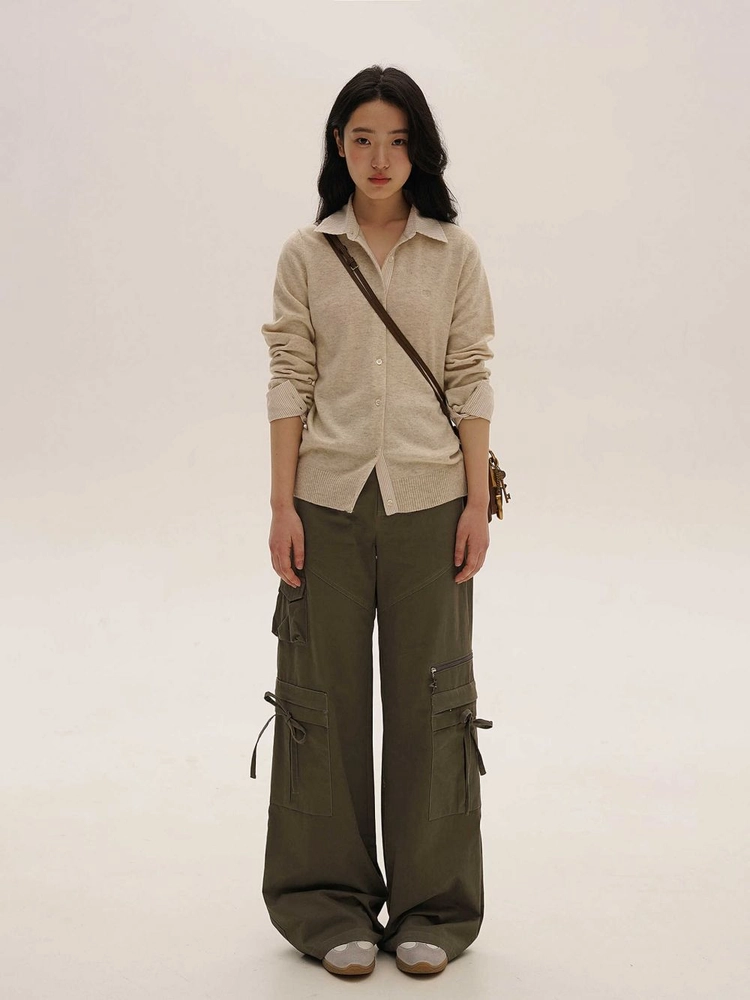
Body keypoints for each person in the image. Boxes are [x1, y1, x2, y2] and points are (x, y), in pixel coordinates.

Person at [251, 64, 497, 977]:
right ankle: (326, 905)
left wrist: (476, 503)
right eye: (362, 138)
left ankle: (436, 907)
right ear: (339, 146)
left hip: (432, 506)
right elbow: (290, 376)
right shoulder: (306, 253)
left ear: (419, 149)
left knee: (435, 702)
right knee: (321, 705)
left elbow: (469, 374)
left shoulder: (455, 253)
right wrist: (281, 503)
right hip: (326, 505)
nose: (380, 157)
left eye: (397, 140)